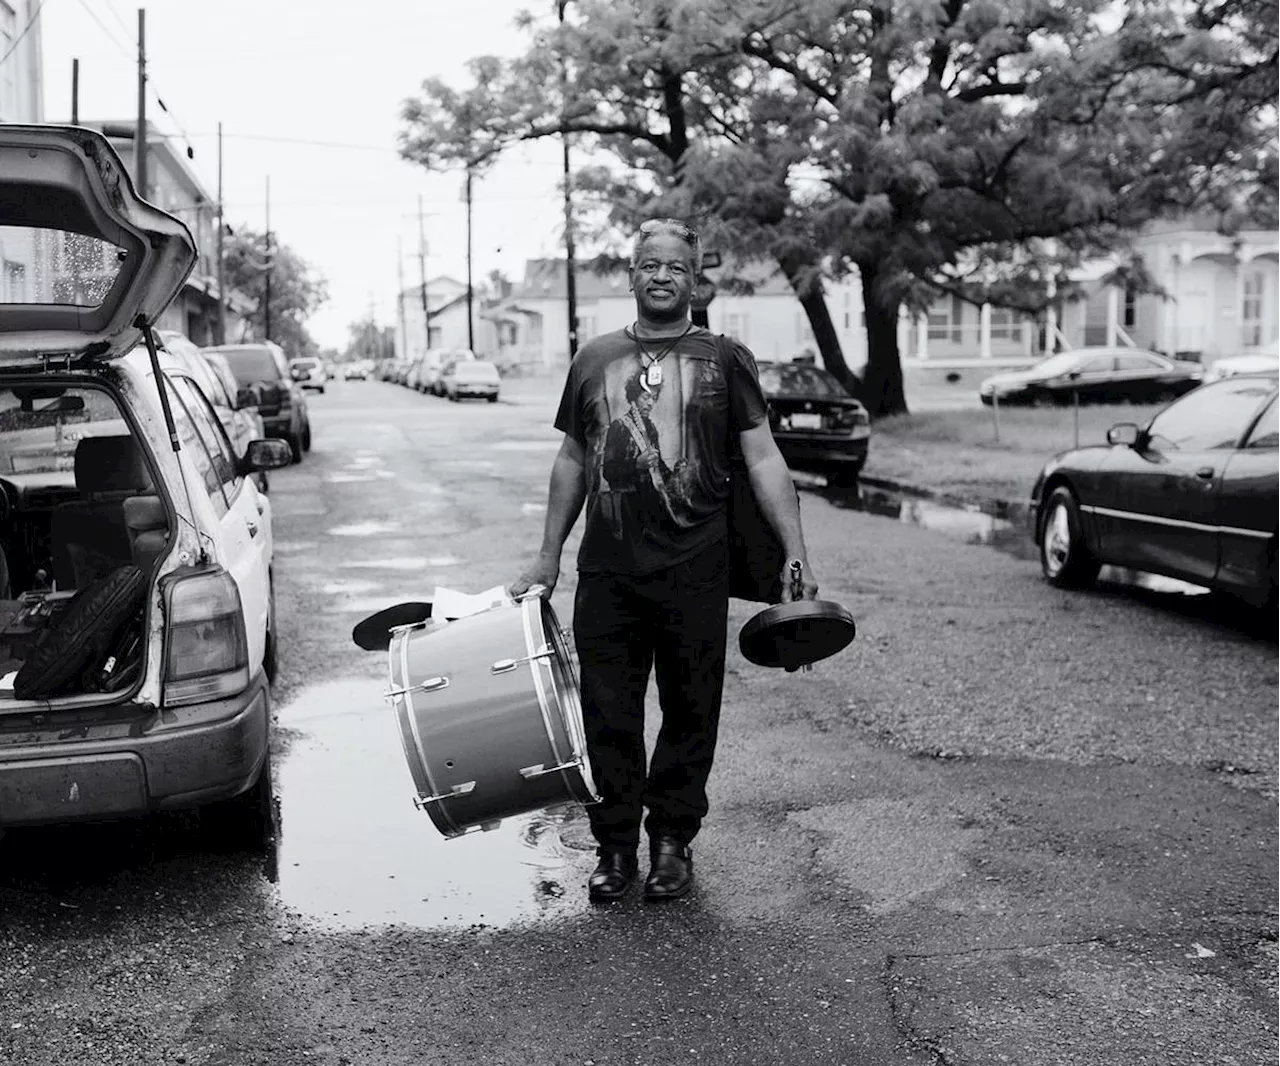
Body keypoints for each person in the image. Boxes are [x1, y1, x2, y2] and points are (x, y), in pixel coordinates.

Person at [509, 217, 819, 903]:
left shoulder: (724, 359)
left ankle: (672, 842)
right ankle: (615, 848)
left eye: (675, 266)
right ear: (630, 273)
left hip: (695, 570)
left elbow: (764, 456)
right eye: (649, 264)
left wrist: (794, 551)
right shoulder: (593, 359)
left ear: (694, 276)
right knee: (608, 713)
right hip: (610, 574)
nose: (660, 276)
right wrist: (546, 556)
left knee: (690, 710)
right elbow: (572, 458)